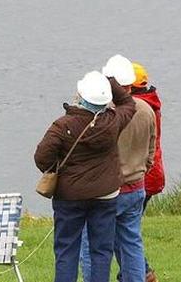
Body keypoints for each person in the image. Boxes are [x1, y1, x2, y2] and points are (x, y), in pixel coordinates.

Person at [34, 69, 136, 282]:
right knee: (101, 251)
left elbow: (41, 157)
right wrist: (109, 79)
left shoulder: (62, 125)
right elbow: (128, 103)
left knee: (66, 250)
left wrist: (59, 168)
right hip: (106, 195)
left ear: (80, 96)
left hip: (70, 196)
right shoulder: (113, 121)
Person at [79, 55, 157, 282]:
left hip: (109, 189)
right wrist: (140, 171)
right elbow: (151, 151)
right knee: (131, 243)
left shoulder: (105, 113)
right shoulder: (146, 110)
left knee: (90, 241)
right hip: (136, 187)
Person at [132, 63, 164, 282]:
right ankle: (133, 273)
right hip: (153, 173)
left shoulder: (138, 108)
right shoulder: (151, 101)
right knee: (129, 229)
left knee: (125, 231)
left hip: (141, 176)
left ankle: (142, 272)